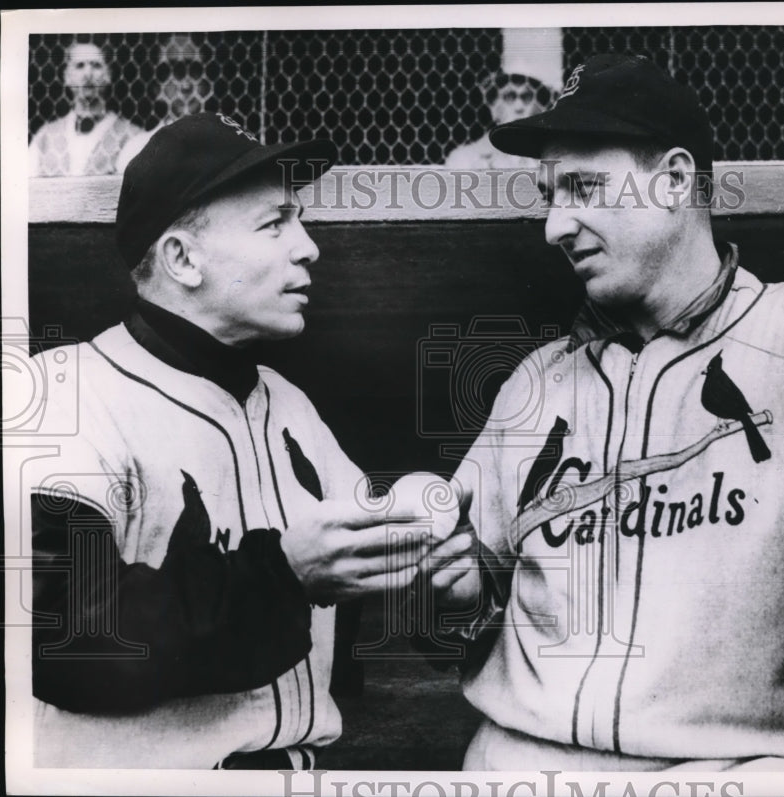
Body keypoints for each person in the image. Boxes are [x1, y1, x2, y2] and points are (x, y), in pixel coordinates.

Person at [427, 55, 784, 772]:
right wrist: (445, 584)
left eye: (584, 187)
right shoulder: (538, 381)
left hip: (728, 772)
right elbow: (454, 608)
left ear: (676, 179)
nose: (555, 225)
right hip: (516, 766)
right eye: (548, 195)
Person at [27, 112, 469, 769]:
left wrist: (434, 591)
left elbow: (378, 574)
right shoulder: (64, 394)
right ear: (183, 258)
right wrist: (282, 575)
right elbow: (67, 636)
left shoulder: (290, 406)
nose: (308, 246)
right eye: (275, 223)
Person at [28, 39, 143, 176]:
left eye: (96, 65)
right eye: (80, 65)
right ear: (66, 77)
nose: (88, 74)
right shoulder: (45, 137)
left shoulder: (132, 136)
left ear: (108, 75)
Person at [115, 33, 215, 171]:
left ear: (208, 85)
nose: (186, 86)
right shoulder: (136, 151)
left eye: (194, 71)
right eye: (175, 72)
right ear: (157, 88)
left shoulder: (225, 146)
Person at [444, 70, 556, 169]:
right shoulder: (464, 159)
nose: (518, 107)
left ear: (541, 108)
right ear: (494, 108)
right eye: (509, 97)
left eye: (527, 97)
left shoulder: (555, 159)